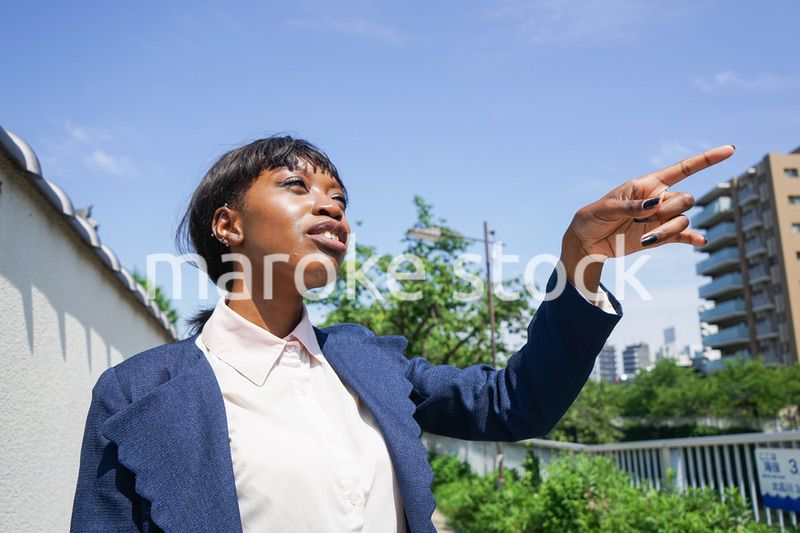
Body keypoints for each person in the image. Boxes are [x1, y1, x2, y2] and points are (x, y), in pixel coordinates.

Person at [70, 137, 734, 532]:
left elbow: (516, 401)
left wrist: (579, 260)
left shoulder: (366, 360)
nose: (330, 204)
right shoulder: (134, 395)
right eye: (297, 185)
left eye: (339, 197)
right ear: (227, 225)